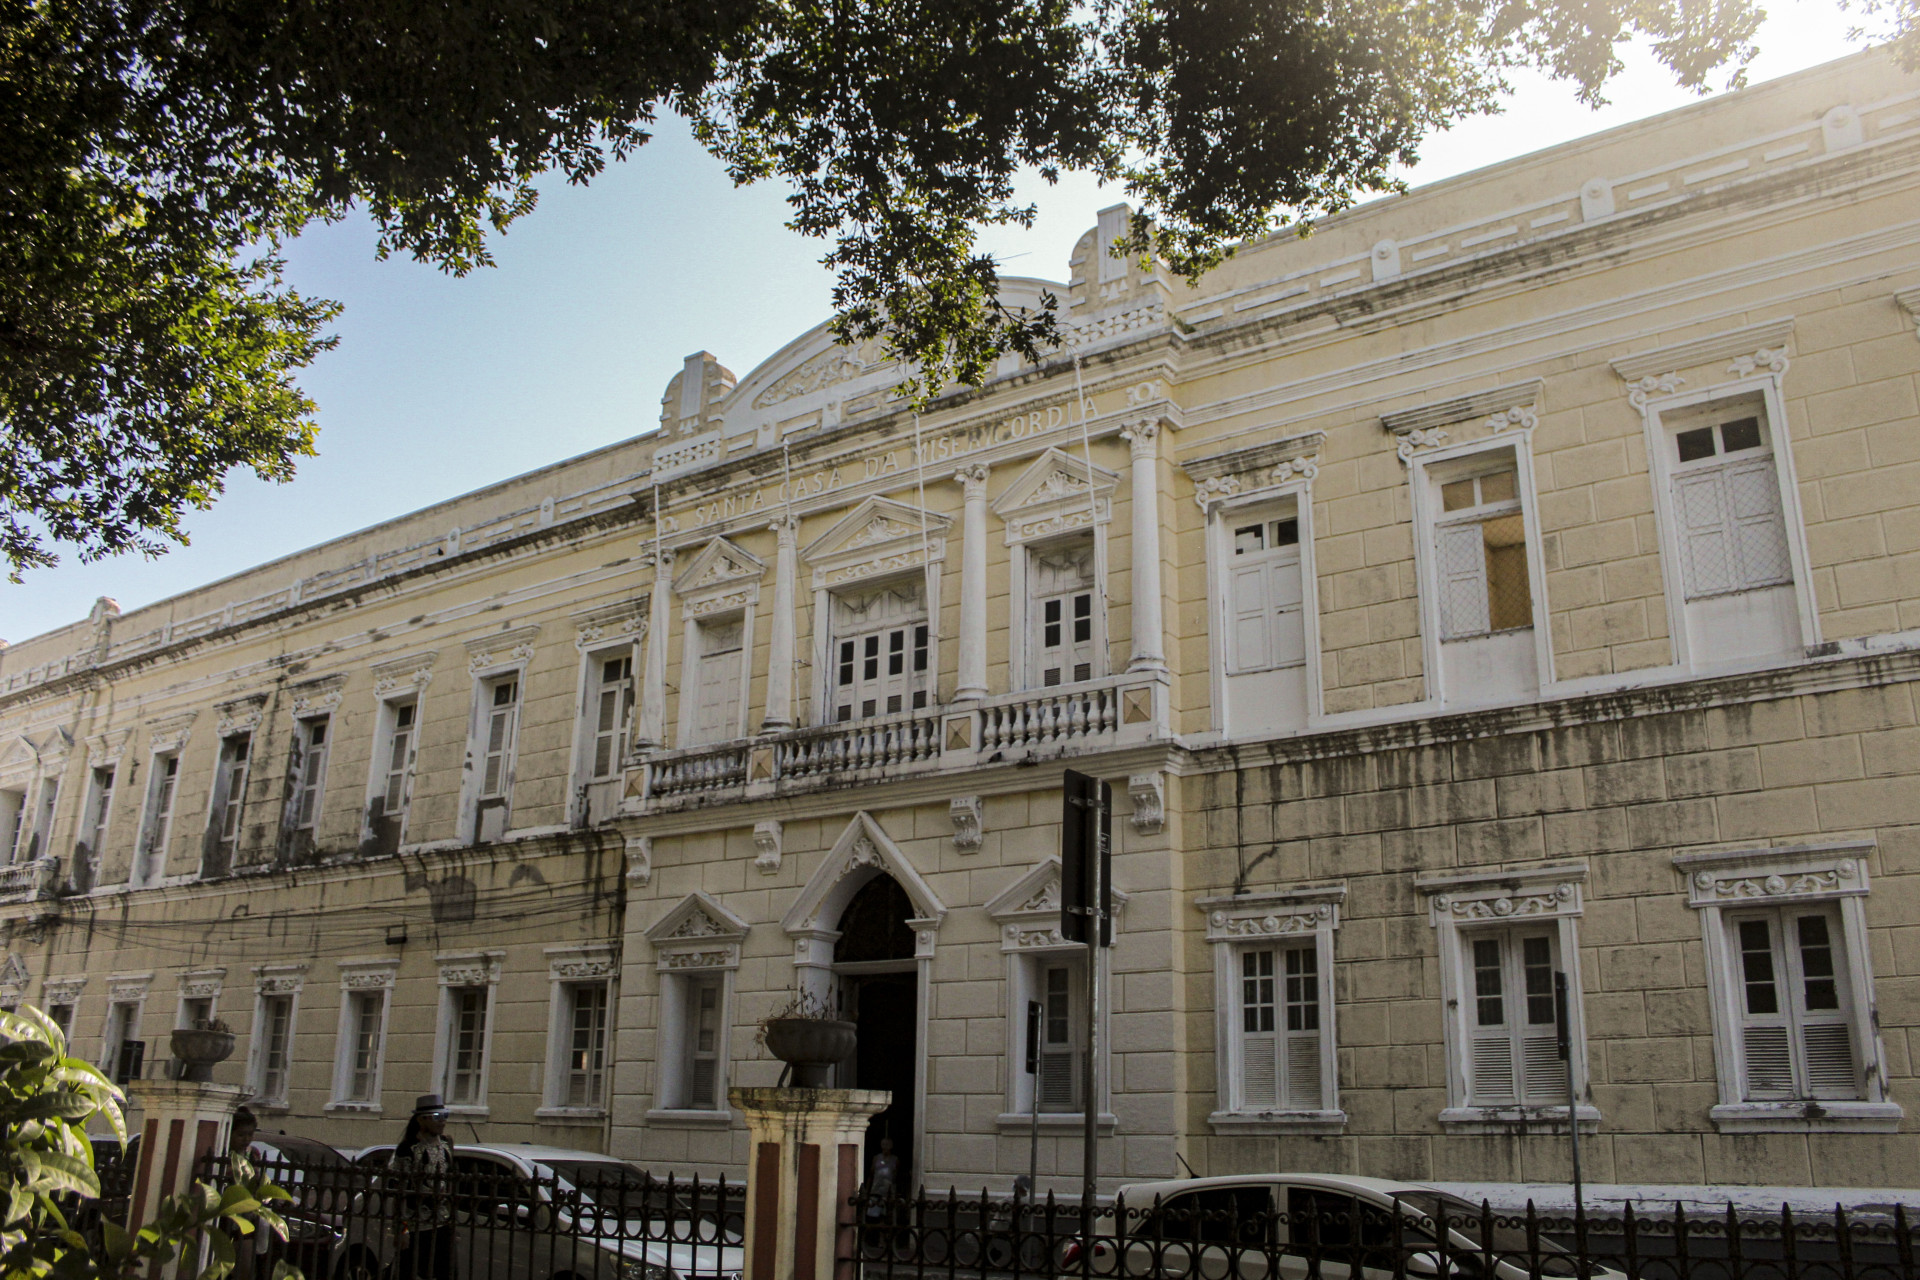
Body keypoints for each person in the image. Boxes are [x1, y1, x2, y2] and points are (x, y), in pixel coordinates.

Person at [387, 1094, 458, 1280]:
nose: (442, 1121)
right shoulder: (408, 1149)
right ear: (421, 1119)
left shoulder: (446, 1145)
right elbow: (399, 1190)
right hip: (417, 1226)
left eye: (445, 1116)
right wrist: (402, 1229)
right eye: (436, 1117)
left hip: (443, 1223)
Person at [228, 1108, 264, 1280]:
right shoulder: (224, 1153)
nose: (246, 1139)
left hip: (245, 1217)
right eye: (241, 1135)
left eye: (250, 1134)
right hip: (223, 1217)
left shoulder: (252, 1154)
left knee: (245, 1268)